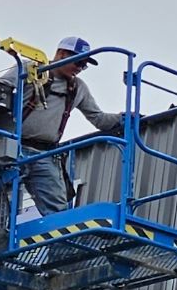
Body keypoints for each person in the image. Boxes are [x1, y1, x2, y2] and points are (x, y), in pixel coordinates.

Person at [14, 36, 124, 219]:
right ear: (61, 54)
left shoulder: (77, 88)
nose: (80, 69)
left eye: (84, 66)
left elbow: (98, 119)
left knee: (59, 213)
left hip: (44, 154)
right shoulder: (29, 70)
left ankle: (61, 245)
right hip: (11, 148)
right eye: (78, 62)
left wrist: (123, 118)